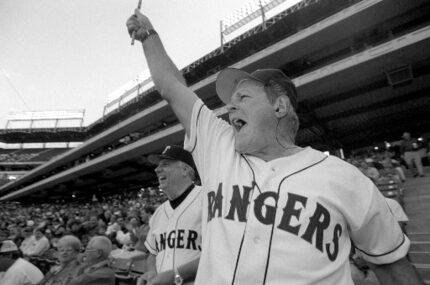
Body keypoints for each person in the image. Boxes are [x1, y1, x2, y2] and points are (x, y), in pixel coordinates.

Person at [126, 10, 423, 285]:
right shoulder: (219, 145)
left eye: (243, 97)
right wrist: (149, 36)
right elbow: (170, 86)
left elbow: (393, 267)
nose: (230, 107)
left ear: (279, 106)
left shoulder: (346, 178)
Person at [137, 145, 203, 285]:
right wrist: (151, 272)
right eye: (158, 166)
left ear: (185, 170)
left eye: (165, 164)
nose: (157, 169)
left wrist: (175, 275)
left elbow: (217, 253)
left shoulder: (209, 199)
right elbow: (153, 254)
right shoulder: (159, 212)